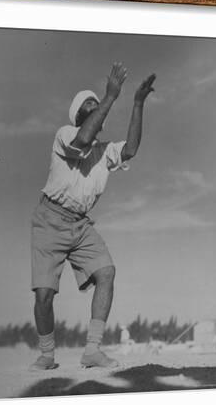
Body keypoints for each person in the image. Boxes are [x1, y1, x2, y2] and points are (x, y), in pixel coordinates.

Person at [30, 62, 156, 370]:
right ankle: (47, 355)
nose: (96, 105)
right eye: (91, 104)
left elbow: (131, 149)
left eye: (97, 103)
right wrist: (111, 96)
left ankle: (92, 350)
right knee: (45, 294)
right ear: (79, 115)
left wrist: (137, 103)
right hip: (49, 220)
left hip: (80, 223)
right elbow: (82, 141)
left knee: (107, 273)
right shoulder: (66, 134)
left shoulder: (104, 152)